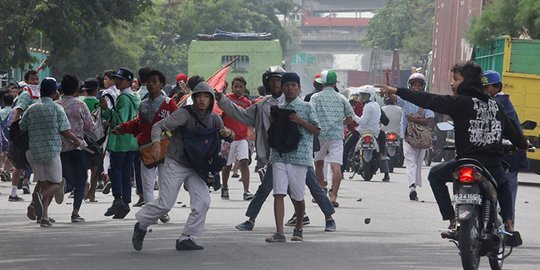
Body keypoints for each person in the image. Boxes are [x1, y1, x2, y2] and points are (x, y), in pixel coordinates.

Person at [377, 61, 527, 243]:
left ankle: (452, 220)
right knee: (503, 185)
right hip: (491, 165)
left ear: (467, 82)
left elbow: (429, 99)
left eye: (455, 79)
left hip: (466, 163)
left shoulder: (460, 103)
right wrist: (522, 144)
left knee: (435, 175)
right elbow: (516, 134)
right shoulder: (496, 106)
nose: (452, 83)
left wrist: (397, 90)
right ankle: (509, 226)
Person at [217, 66, 336, 232]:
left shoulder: (298, 104)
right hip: (276, 154)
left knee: (312, 186)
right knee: (267, 189)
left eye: (279, 81)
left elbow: (315, 129)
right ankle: (252, 220)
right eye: (271, 80)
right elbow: (242, 115)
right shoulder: (263, 105)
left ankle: (329, 217)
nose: (275, 84)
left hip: (298, 154)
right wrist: (222, 100)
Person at [132, 81, 233, 251]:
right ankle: (141, 224)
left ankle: (186, 238)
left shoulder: (214, 118)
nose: (202, 100)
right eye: (199, 96)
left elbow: (228, 135)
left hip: (196, 166)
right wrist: (156, 143)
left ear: (211, 100)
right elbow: (159, 126)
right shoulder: (184, 114)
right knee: (165, 204)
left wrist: (229, 133)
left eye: (206, 97)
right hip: (176, 162)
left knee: (203, 202)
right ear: (194, 98)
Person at [114, 68, 177, 223]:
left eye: (154, 82)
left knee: (164, 183)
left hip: (165, 149)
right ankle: (151, 212)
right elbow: (138, 124)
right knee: (147, 184)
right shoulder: (142, 104)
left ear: (162, 84)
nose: (151, 84)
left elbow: (178, 122)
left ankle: (162, 210)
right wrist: (123, 127)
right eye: (148, 82)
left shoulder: (169, 103)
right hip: (146, 149)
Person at [265, 72, 320, 242]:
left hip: (299, 157)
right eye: (286, 85)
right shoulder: (277, 107)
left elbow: (317, 130)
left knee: (297, 195)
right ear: (282, 88)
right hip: (279, 156)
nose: (289, 88)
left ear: (299, 88)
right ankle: (279, 232)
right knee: (279, 193)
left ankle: (299, 227)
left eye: (293, 85)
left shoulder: (306, 107)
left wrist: (300, 121)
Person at [20, 77, 81, 227]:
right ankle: (38, 198)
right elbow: (65, 130)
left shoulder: (32, 108)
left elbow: (22, 126)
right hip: (52, 151)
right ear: (54, 93)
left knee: (43, 182)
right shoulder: (56, 108)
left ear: (40, 91)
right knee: (57, 183)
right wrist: (76, 140)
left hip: (35, 151)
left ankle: (44, 217)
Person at [482, 70, 528, 223]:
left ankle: (509, 226)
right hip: (494, 154)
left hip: (509, 155)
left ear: (497, 87)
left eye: (486, 87)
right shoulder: (490, 101)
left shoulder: (500, 103)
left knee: (507, 193)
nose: (484, 91)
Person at [385, 73, 434, 200]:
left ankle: (413, 186)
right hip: (409, 136)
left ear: (423, 86)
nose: (416, 87)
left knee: (415, 163)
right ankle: (412, 186)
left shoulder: (424, 100)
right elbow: (391, 95)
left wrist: (413, 119)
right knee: (412, 162)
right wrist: (388, 78)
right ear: (410, 86)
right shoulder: (406, 100)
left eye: (419, 85)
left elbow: (428, 120)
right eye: (414, 85)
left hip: (417, 137)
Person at [310, 69, 354, 207]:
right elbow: (350, 118)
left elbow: (311, 115)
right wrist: (341, 122)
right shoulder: (342, 98)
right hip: (336, 135)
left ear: (322, 82)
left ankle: (321, 192)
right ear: (335, 83)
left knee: (319, 163)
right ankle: (333, 196)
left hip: (320, 135)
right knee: (336, 166)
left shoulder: (315, 97)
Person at [102, 68, 141, 219]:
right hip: (132, 141)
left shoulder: (123, 98)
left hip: (121, 140)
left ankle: (118, 198)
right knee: (125, 171)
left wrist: (106, 111)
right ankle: (126, 201)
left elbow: (120, 120)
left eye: (120, 79)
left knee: (115, 169)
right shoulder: (135, 97)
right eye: (116, 79)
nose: (116, 81)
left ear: (128, 82)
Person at [57, 74, 95, 223]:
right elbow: (90, 127)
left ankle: (62, 187)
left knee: (64, 177)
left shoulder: (57, 104)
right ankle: (75, 212)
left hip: (59, 148)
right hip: (77, 147)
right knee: (81, 179)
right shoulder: (80, 105)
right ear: (76, 89)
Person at [220, 75, 253, 201]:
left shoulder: (247, 103)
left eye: (241, 87)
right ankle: (225, 187)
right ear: (232, 88)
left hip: (242, 138)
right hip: (229, 139)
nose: (238, 89)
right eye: (236, 87)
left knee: (244, 162)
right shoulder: (226, 100)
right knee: (227, 165)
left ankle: (246, 191)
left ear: (244, 89)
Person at [9, 70, 40, 201]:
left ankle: (30, 188)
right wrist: (15, 130)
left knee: (26, 164)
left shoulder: (38, 94)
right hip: (24, 133)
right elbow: (18, 111)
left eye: (36, 79)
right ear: (27, 81)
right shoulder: (26, 94)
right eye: (32, 79)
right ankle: (14, 193)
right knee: (19, 164)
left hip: (35, 133)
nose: (35, 81)